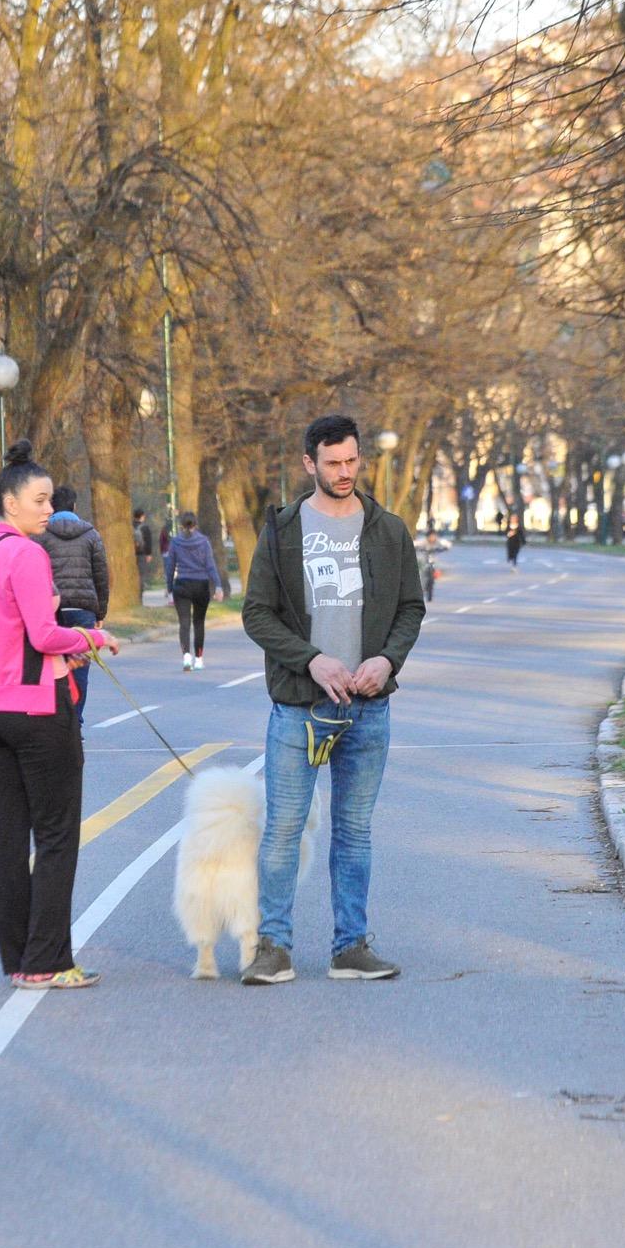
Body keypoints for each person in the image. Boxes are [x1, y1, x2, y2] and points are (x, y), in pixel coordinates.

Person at [240, 413, 426, 986]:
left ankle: (351, 947)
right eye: (332, 463)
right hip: (299, 705)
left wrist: (386, 661)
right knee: (285, 827)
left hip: (368, 708)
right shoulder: (283, 530)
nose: (344, 472)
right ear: (309, 464)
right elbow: (256, 614)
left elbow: (409, 608)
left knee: (354, 831)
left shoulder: (388, 530)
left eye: (352, 461)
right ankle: (273, 947)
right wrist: (312, 659)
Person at [0, 441, 117, 991]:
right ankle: (48, 959)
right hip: (37, 711)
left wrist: (57, 647)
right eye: (40, 500)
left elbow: (5, 632)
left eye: (50, 500)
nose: (49, 510)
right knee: (56, 837)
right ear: (10, 502)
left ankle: (19, 959)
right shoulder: (28, 555)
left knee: (6, 837)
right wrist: (94, 637)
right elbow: (44, 633)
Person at [37, 485, 111, 724]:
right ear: (75, 507)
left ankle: (57, 720)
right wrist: (100, 611)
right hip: (83, 611)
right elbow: (101, 575)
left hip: (53, 611)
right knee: (79, 668)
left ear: (51, 506)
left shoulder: (42, 536)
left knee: (52, 668)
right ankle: (75, 721)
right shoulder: (91, 534)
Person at [165, 511, 222, 671]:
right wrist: (217, 585)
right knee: (199, 622)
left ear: (181, 525)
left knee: (184, 623)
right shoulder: (204, 542)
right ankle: (199, 658)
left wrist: (169, 588)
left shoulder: (176, 542)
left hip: (182, 584)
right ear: (195, 524)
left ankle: (186, 657)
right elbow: (210, 565)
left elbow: (170, 567)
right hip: (201, 585)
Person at [132, 508, 156, 591]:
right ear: (142, 516)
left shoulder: (129, 526)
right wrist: (149, 554)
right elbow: (148, 541)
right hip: (142, 554)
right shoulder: (145, 528)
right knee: (141, 574)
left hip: (131, 554)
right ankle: (139, 594)